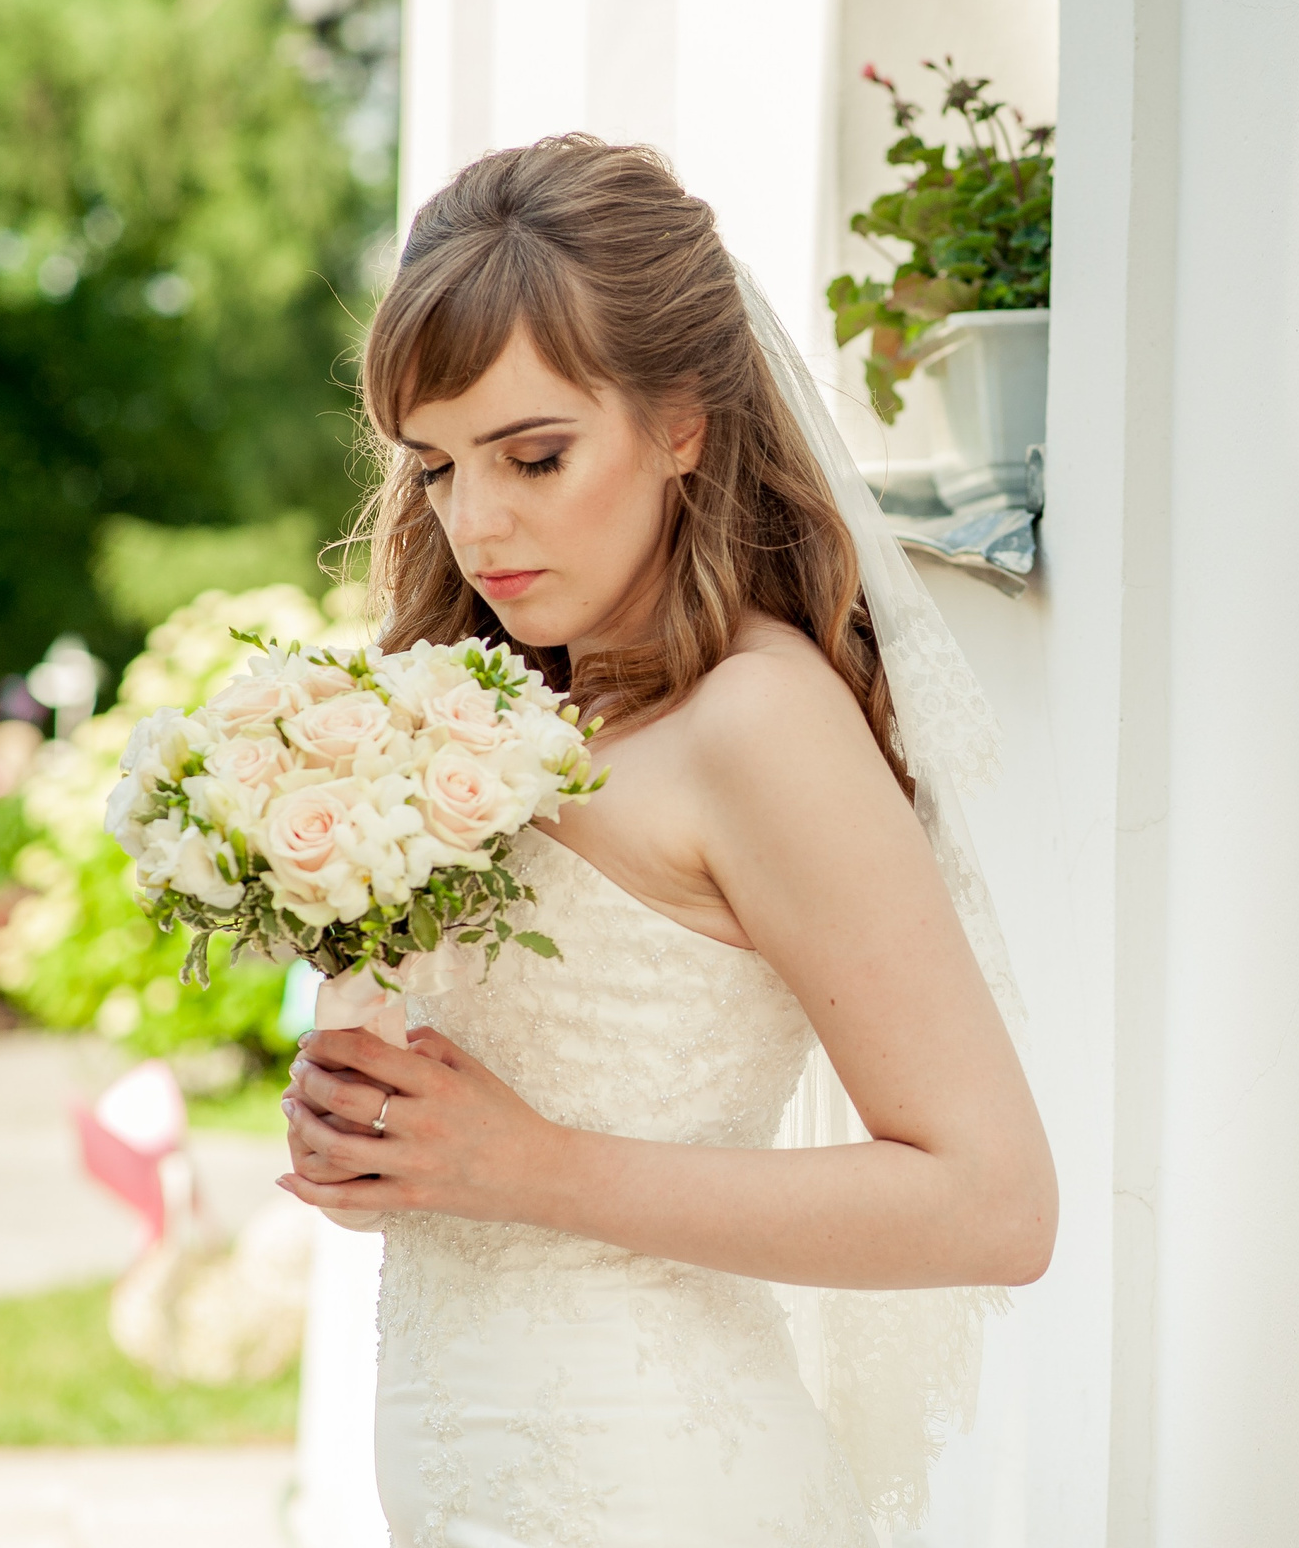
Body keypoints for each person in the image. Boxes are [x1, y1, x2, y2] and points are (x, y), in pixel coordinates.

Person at [275, 135, 1057, 1547]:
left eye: (534, 455)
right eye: (439, 468)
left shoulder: (757, 721)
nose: (478, 522)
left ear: (682, 423)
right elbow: (481, 1143)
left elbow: (993, 1204)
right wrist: (371, 1141)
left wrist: (522, 1168)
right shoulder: (489, 720)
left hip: (659, 1494)